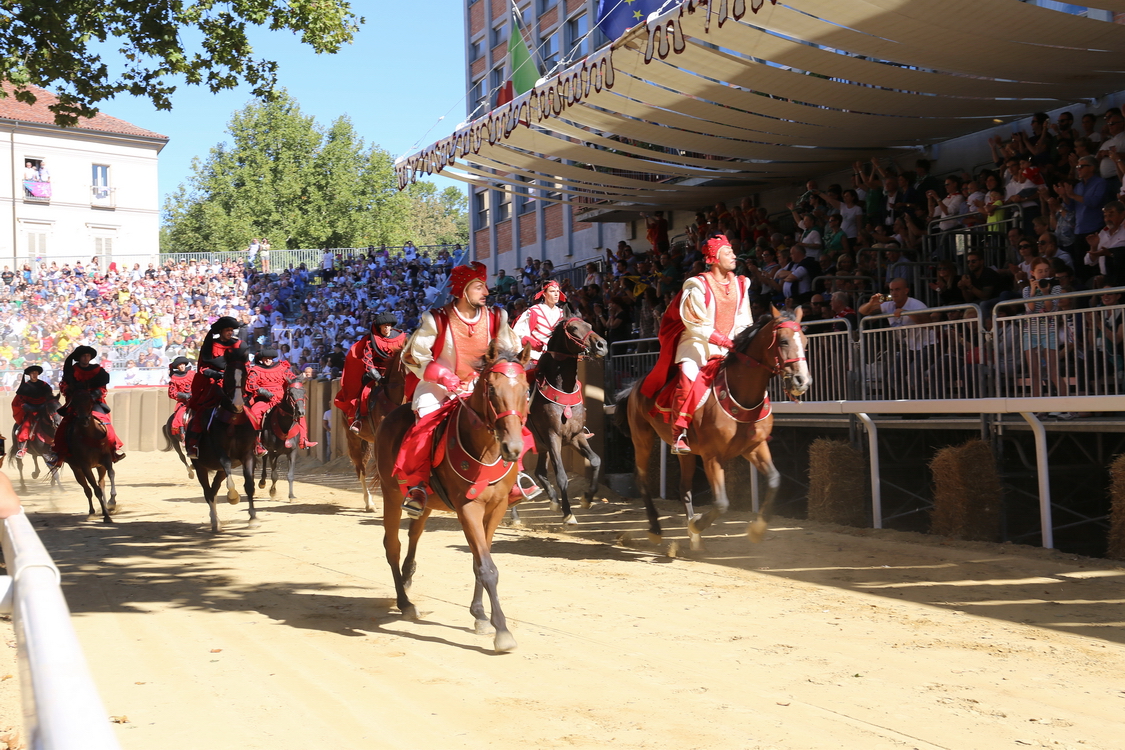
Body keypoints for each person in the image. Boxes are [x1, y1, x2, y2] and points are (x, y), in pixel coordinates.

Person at [396, 261, 526, 517]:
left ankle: (517, 478)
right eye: (479, 287)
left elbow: (510, 348)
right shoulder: (436, 319)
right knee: (425, 421)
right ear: (463, 290)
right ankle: (419, 486)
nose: (486, 292)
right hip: (438, 385)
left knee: (510, 412)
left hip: (483, 384)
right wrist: (443, 375)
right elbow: (412, 355)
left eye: (485, 287)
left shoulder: (497, 317)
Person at [639, 235, 753, 455]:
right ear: (715, 258)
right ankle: (679, 433)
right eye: (728, 252)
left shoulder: (741, 284)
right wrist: (723, 341)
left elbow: (744, 319)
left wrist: (741, 342)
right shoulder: (696, 285)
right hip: (696, 344)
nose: (734, 256)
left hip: (728, 344)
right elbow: (694, 324)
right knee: (687, 379)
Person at [46, 346, 124, 467]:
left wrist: (94, 394)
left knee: (105, 423)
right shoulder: (71, 370)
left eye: (88, 355)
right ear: (79, 358)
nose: (86, 358)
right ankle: (59, 454)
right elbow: (65, 386)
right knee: (64, 425)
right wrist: (71, 392)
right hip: (77, 401)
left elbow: (102, 387)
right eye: (83, 356)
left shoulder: (98, 370)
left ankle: (113, 450)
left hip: (95, 401)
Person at [335, 312, 407, 433]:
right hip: (376, 372)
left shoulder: (402, 338)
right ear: (379, 327)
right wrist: (379, 377)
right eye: (384, 326)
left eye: (388, 325)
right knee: (365, 393)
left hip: (397, 372)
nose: (386, 328)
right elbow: (367, 361)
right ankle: (358, 418)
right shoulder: (371, 340)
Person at [185, 316, 242, 459]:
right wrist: (214, 374)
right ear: (221, 331)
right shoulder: (211, 345)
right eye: (227, 330)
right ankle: (194, 444)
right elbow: (203, 368)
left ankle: (256, 442)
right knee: (203, 410)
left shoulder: (238, 344)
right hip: (214, 382)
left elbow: (244, 364)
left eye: (231, 330)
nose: (230, 332)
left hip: (235, 382)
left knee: (250, 408)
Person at [245, 348, 314, 453]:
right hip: (265, 399)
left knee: (300, 410)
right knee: (255, 412)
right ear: (261, 359)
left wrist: (301, 378)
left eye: (270, 358)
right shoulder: (255, 370)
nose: (268, 360)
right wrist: (265, 393)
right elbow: (251, 384)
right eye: (265, 359)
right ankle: (257, 443)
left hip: (283, 398)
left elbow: (292, 379)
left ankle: (303, 439)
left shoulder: (282, 368)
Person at [512, 279, 567, 377]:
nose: (556, 294)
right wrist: (533, 343)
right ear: (544, 294)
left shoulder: (563, 313)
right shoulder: (534, 311)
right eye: (552, 291)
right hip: (535, 356)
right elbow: (518, 333)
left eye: (558, 291)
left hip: (556, 358)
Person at [11, 365, 55, 458]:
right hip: (31, 411)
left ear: (38, 374)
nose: (34, 375)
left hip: (44, 410)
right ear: (29, 375)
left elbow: (50, 398)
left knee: (56, 421)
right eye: (32, 373)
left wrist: (45, 406)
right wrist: (27, 407)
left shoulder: (44, 385)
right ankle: (22, 448)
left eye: (36, 373)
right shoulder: (25, 387)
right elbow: (19, 401)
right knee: (25, 426)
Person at [166, 356, 193, 440]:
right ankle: (183, 434)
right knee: (180, 415)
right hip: (184, 402)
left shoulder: (192, 374)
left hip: (196, 399)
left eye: (183, 364)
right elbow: (172, 393)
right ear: (177, 367)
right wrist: (184, 395)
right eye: (180, 365)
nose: (182, 366)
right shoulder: (174, 379)